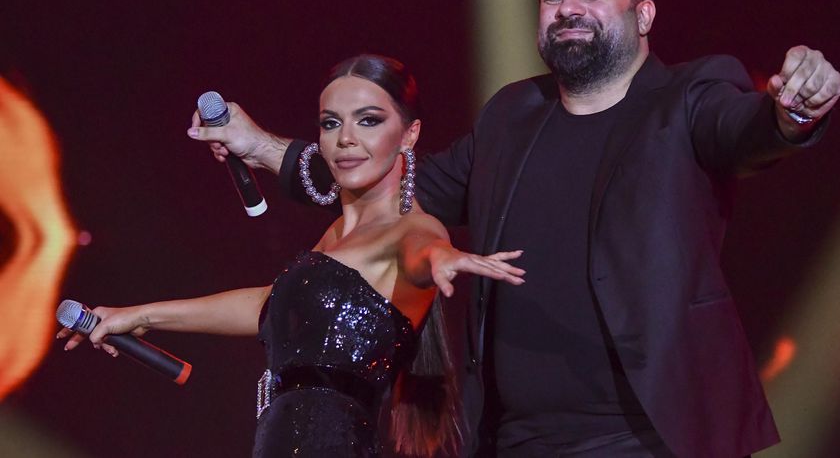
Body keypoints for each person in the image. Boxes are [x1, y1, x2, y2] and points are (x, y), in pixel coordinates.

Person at [187, 0, 840, 458]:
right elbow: (398, 189)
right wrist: (261, 147)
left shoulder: (689, 95)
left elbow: (750, 129)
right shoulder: (512, 115)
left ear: (643, 13)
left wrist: (794, 112)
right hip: (517, 438)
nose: (568, 7)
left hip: (648, 435)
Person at [58, 54, 526, 458]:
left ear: (409, 134)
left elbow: (424, 248)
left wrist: (443, 258)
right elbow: (268, 306)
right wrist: (138, 315)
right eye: (331, 123)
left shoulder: (411, 229)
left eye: (368, 120)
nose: (345, 138)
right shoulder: (336, 237)